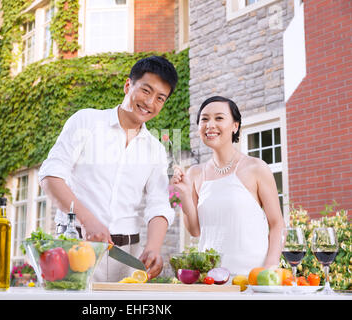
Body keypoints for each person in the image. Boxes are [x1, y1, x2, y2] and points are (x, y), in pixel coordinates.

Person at [38, 56, 178, 281]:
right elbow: (51, 175)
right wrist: (86, 220)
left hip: (126, 257)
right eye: (146, 91)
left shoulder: (156, 150)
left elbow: (159, 204)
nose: (150, 102)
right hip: (75, 247)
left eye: (160, 98)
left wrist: (153, 247)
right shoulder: (86, 121)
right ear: (127, 85)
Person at [171, 96, 284, 276]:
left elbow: (277, 224)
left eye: (219, 118)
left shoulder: (256, 168)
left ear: (235, 126)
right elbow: (195, 230)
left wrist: (269, 268)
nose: (210, 125)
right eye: (204, 119)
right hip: (213, 278)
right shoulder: (195, 173)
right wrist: (184, 195)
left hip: (253, 278)